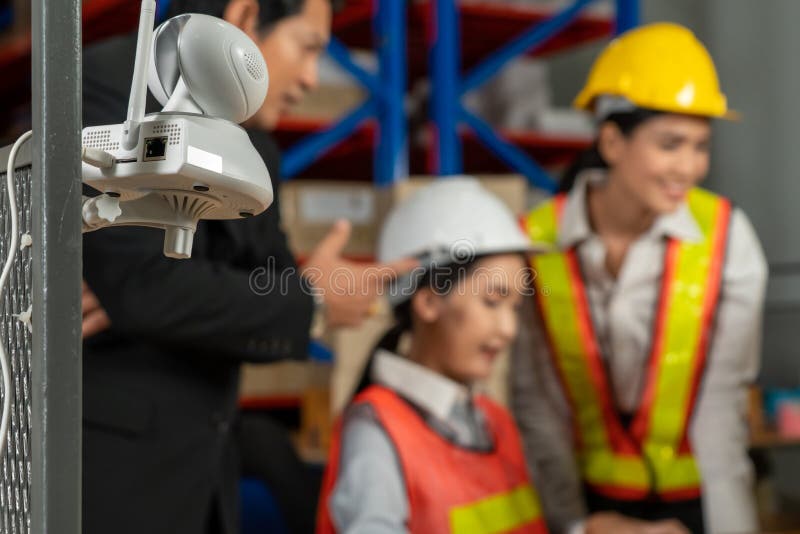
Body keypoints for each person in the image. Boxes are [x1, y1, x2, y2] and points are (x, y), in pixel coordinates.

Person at [80, 1, 415, 533]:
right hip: (117, 481)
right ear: (246, 17)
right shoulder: (109, 85)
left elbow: (254, 282)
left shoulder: (255, 145)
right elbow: (145, 289)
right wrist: (307, 301)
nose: (310, 79)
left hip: (208, 476)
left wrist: (278, 297)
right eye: (307, 48)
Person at [511, 23, 768, 534]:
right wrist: (577, 526)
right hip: (590, 505)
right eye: (670, 144)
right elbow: (535, 404)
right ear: (612, 141)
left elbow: (721, 411)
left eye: (700, 145)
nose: (689, 167)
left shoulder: (725, 235)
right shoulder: (535, 239)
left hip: (701, 505)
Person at [316, 177, 549, 533]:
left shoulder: (494, 421)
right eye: (492, 302)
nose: (508, 329)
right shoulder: (377, 432)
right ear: (428, 301)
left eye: (515, 307)